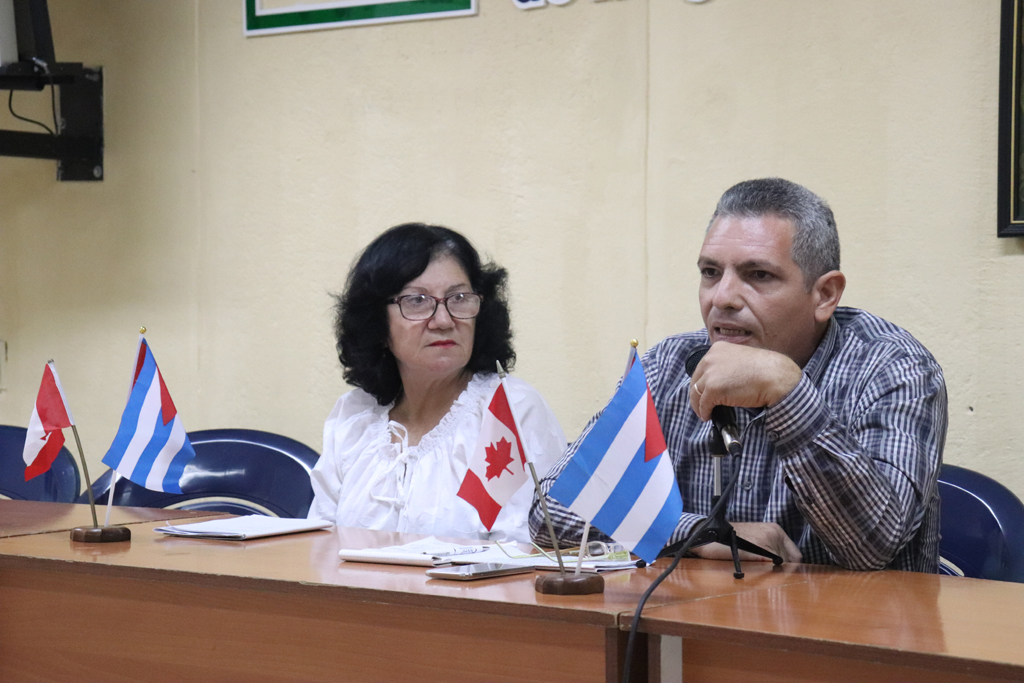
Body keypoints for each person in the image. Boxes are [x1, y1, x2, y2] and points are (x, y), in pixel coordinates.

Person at [531, 178, 947, 572]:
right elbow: (552, 513)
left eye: (758, 275)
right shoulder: (669, 365)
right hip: (700, 631)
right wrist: (701, 534)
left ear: (825, 294)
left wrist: (789, 392)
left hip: (853, 636)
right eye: (711, 272)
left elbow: (872, 546)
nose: (722, 298)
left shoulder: (894, 369)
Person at [308, 223, 565, 544]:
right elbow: (319, 546)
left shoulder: (507, 412)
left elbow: (522, 551)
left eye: (459, 298)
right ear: (376, 322)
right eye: (417, 301)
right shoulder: (354, 416)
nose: (444, 320)